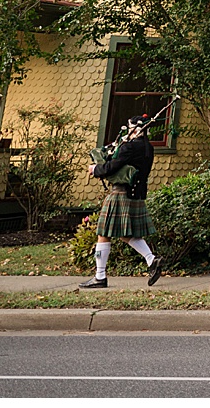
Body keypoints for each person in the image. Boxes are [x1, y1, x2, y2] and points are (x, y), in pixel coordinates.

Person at [78, 114, 164, 289]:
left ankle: (100, 277)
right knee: (126, 234)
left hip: (121, 193)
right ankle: (151, 259)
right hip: (136, 193)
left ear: (135, 128)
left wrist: (96, 169)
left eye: (129, 126)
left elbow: (112, 167)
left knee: (104, 233)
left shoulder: (130, 147)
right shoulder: (148, 147)